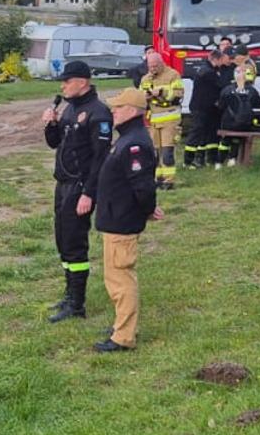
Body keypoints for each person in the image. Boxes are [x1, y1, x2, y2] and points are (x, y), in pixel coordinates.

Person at [90, 87, 164, 353]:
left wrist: (148, 209)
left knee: (121, 280)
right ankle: (121, 325)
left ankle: (124, 337)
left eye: (118, 108)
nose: (113, 112)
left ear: (132, 111)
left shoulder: (134, 143)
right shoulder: (127, 138)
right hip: (114, 218)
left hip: (122, 220)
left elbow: (143, 186)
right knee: (114, 278)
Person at [41, 60, 112, 323]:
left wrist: (88, 193)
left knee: (75, 243)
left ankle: (77, 304)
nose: (63, 86)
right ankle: (69, 294)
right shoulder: (70, 109)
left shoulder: (98, 113)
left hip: (80, 187)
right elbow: (55, 144)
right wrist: (51, 124)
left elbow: (100, 159)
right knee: (63, 239)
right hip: (62, 185)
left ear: (82, 82)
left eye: (67, 81)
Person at [128, 46, 184, 190]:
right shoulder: (145, 78)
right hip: (153, 120)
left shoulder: (172, 74)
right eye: (150, 66)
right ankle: (158, 178)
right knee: (155, 153)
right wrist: (144, 96)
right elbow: (140, 96)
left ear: (161, 63)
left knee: (167, 152)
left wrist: (162, 92)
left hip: (170, 118)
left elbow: (178, 94)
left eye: (155, 66)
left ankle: (169, 180)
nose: (152, 69)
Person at [183, 44, 230, 169]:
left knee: (206, 134)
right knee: (197, 133)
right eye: (221, 61)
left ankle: (205, 159)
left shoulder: (206, 69)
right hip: (202, 108)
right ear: (216, 59)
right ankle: (189, 160)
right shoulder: (209, 72)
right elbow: (221, 86)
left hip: (205, 108)